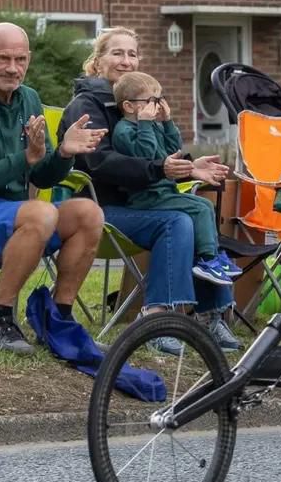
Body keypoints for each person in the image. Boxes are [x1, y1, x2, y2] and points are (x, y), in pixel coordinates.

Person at [57, 27, 242, 354]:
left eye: (132, 54)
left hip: (142, 202)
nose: (125, 61)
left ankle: (212, 315)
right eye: (116, 53)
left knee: (192, 212)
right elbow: (98, 162)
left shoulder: (138, 100)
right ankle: (156, 319)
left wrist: (189, 166)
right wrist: (160, 168)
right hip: (101, 208)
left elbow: (159, 153)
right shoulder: (86, 105)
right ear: (98, 61)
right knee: (176, 221)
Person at [0, 22, 105, 354]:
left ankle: (57, 318)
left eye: (20, 59)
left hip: (15, 218)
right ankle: (1, 320)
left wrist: (62, 153)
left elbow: (41, 176)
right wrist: (26, 157)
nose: (13, 68)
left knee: (88, 213)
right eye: (3, 59)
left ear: (29, 59)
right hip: (17, 216)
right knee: (41, 213)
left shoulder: (29, 98)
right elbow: (27, 161)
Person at [111, 71, 240, 286]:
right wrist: (144, 125)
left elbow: (173, 150)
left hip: (164, 192)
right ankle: (208, 259)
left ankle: (213, 256)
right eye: (152, 101)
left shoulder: (152, 126)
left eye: (160, 100)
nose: (157, 106)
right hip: (147, 196)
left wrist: (167, 122)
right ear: (129, 106)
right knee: (200, 208)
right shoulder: (124, 130)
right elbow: (147, 156)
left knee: (205, 206)